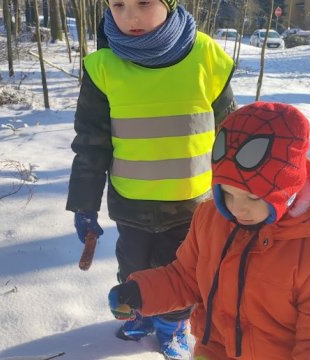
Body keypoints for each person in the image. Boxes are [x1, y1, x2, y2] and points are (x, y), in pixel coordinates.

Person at [108, 102, 310, 359]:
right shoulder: (210, 219)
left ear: (286, 189)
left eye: (252, 197)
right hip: (213, 351)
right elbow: (186, 277)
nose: (238, 209)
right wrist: (141, 291)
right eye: (226, 193)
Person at [66, 0, 236, 357]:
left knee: (182, 273)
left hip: (193, 206)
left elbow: (230, 138)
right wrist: (84, 204)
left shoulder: (206, 58)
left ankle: (172, 326)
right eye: (119, 5)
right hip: (131, 205)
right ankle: (140, 314)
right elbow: (91, 145)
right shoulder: (103, 68)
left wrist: (238, 197)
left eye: (144, 3)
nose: (131, 16)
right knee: (133, 266)